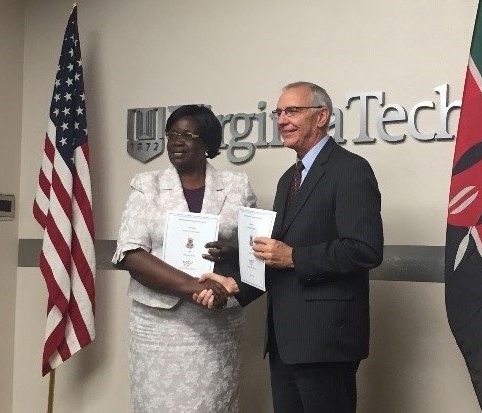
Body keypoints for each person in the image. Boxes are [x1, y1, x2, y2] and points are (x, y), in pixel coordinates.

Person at [197, 82, 383, 412]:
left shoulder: (351, 170)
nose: (282, 119)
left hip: (327, 341)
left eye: (292, 111)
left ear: (322, 116)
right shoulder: (288, 178)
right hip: (285, 340)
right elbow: (275, 256)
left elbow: (364, 249)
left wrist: (294, 256)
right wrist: (232, 287)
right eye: (279, 112)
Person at [112, 104, 256, 412]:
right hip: (158, 328)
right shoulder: (146, 185)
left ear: (207, 143)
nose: (177, 141)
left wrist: (228, 280)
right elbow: (130, 253)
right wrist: (193, 287)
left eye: (187, 134)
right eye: (172, 134)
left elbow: (253, 252)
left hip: (215, 324)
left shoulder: (237, 186)